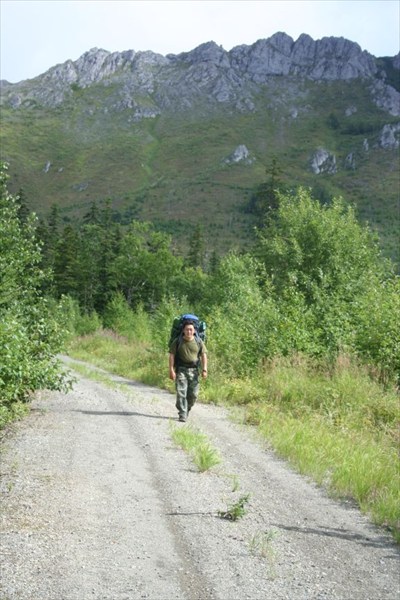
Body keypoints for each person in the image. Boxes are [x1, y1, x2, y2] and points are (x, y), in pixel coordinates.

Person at [169, 320, 208, 422]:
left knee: (193, 395)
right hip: (181, 370)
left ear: (194, 330)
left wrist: (204, 369)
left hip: (194, 371)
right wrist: (171, 370)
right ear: (183, 330)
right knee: (181, 392)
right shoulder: (177, 341)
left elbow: (204, 355)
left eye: (191, 329)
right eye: (187, 329)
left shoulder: (199, 342)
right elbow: (172, 355)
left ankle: (186, 409)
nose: (189, 331)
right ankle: (182, 413)